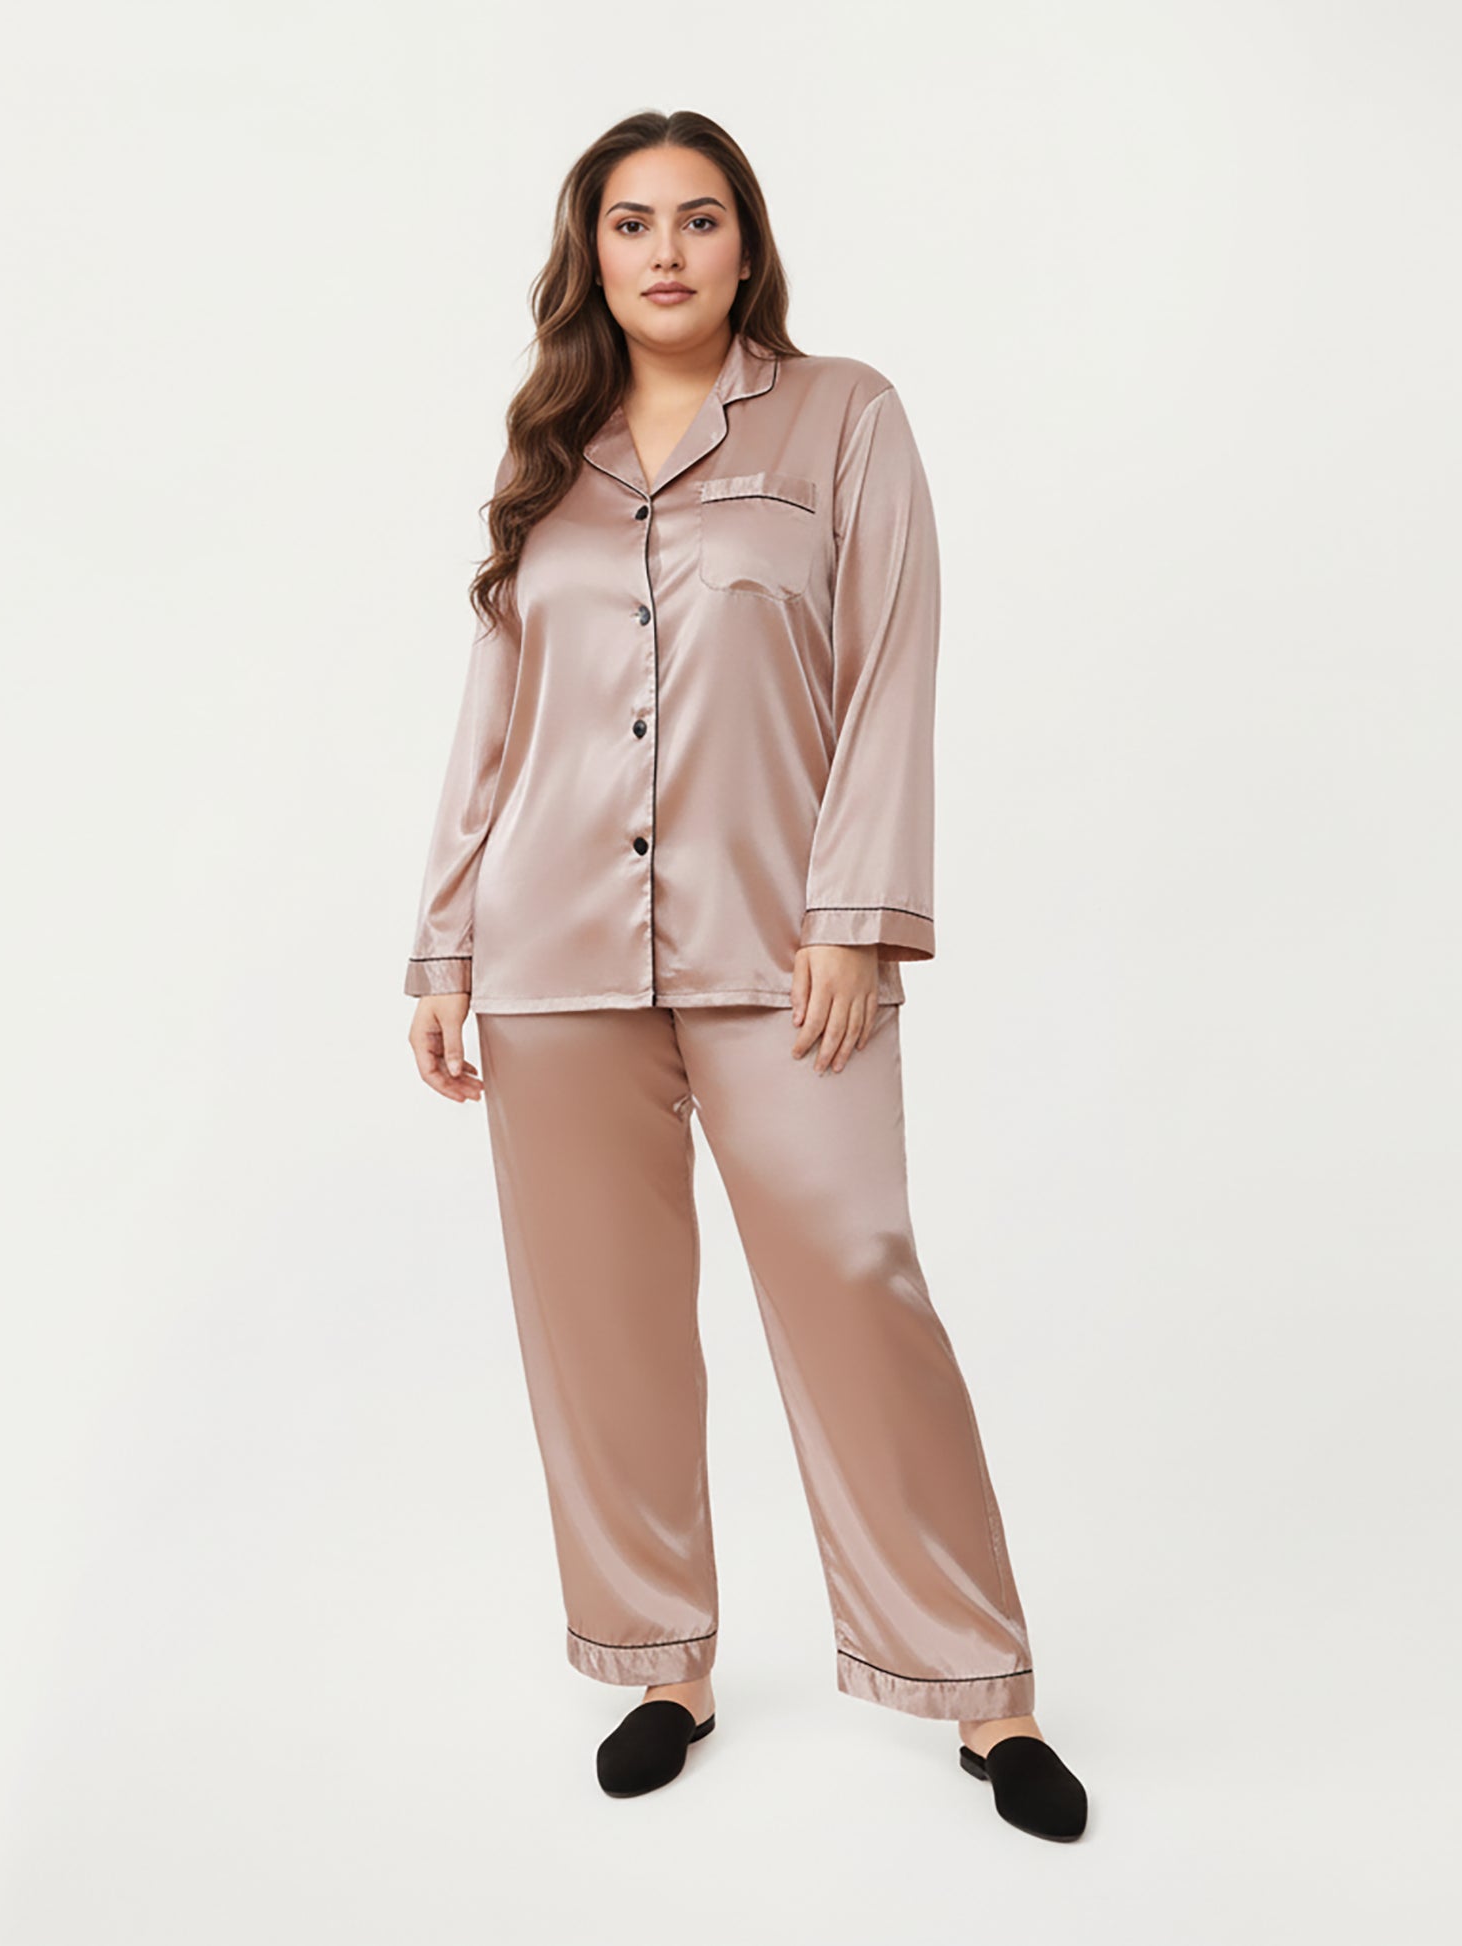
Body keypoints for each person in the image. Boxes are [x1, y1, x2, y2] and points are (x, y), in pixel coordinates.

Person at [402, 108, 1088, 1843]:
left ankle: (981, 1686)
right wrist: (444, 941)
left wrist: (854, 913)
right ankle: (659, 1661)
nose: (665, 251)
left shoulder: (842, 416)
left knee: (857, 1277)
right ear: (591, 251)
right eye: (631, 221)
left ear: (745, 243)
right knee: (600, 1320)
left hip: (783, 949)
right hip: (554, 955)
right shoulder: (547, 449)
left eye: (697, 219)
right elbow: (494, 713)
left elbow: (891, 664)